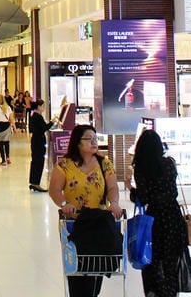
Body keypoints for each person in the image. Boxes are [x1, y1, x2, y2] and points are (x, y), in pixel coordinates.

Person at [49, 125, 124, 297]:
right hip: (75, 224)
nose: (94, 142)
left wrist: (114, 203)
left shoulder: (104, 164)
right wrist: (64, 204)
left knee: (96, 268)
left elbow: (113, 187)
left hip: (99, 224)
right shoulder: (65, 165)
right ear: (78, 142)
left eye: (95, 139)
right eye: (89, 139)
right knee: (77, 270)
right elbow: (54, 190)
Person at [131, 128, 187, 297]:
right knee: (171, 261)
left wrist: (131, 190)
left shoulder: (141, 168)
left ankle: (155, 291)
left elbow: (144, 197)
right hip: (173, 216)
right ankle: (171, 292)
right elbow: (172, 191)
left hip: (154, 220)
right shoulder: (169, 163)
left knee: (153, 259)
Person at [28, 99, 53, 192]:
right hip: (39, 142)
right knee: (39, 162)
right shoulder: (38, 117)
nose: (44, 108)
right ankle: (36, 183)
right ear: (38, 106)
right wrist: (52, 122)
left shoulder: (33, 116)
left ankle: (33, 182)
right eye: (43, 106)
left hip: (35, 141)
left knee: (35, 162)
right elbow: (44, 127)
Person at [0, 95, 14, 166]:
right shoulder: (8, 107)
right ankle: (8, 157)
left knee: (0, 143)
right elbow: (11, 118)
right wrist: (14, 126)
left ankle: (3, 160)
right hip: (7, 125)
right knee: (6, 142)